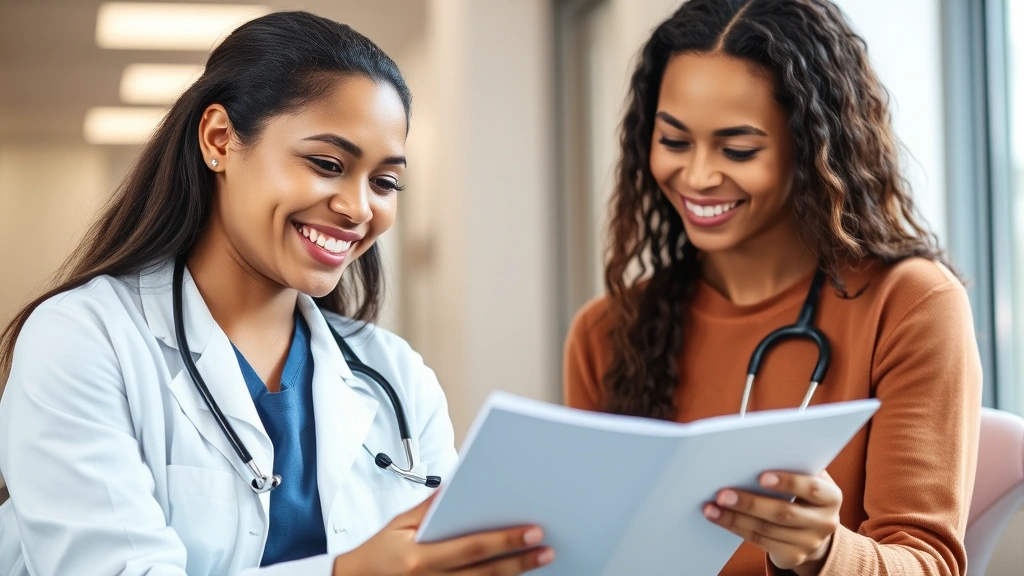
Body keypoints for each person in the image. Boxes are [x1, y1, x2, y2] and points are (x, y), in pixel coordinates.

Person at [0, 11, 553, 576]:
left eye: (385, 182)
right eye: (327, 164)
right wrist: (349, 573)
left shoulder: (399, 377)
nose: (360, 208)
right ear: (220, 140)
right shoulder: (82, 340)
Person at [563, 1, 981, 575]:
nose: (700, 176)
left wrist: (822, 551)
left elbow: (926, 563)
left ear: (813, 149)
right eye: (675, 141)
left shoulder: (910, 305)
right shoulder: (607, 332)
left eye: (738, 149)